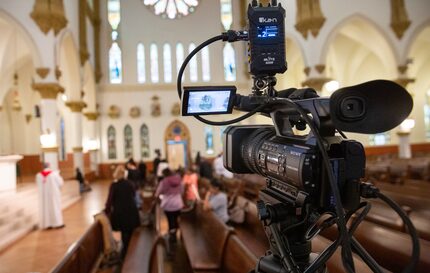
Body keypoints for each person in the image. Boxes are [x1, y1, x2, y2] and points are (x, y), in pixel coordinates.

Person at [105, 165, 140, 258]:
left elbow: (110, 200)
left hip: (120, 212)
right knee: (130, 231)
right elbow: (133, 195)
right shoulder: (130, 183)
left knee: (124, 232)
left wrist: (106, 210)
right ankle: (129, 251)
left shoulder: (114, 185)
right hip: (131, 211)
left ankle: (125, 252)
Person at [155, 168, 183, 243]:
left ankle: (172, 235)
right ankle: (174, 231)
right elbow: (182, 190)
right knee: (176, 218)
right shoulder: (178, 180)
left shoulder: (164, 182)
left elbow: (158, 192)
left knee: (170, 220)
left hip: (168, 204)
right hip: (178, 203)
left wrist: (158, 196)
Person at [36, 163, 65, 229]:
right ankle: (57, 223)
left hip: (44, 196)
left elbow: (38, 185)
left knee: (45, 209)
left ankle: (47, 224)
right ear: (49, 166)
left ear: (43, 167)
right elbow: (61, 183)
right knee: (55, 207)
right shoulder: (54, 174)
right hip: (53, 195)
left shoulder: (38, 175)